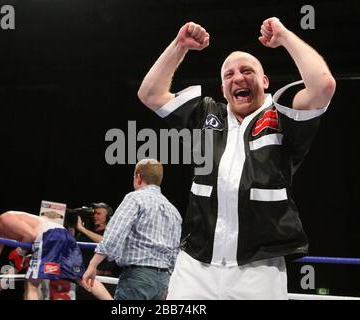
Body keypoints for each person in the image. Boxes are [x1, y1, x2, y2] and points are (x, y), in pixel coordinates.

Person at [137, 18, 336, 299]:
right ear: (222, 89)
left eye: (247, 71)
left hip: (258, 270)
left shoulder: (282, 116)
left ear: (264, 81)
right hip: (195, 266)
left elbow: (323, 86)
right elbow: (150, 94)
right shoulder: (206, 114)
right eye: (229, 75)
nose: (238, 78)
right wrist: (179, 46)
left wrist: (284, 36)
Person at [82, 159, 182, 300]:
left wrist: (93, 264)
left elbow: (114, 234)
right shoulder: (173, 211)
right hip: (162, 281)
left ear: (139, 177)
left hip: (137, 278)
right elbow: (174, 252)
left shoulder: (135, 199)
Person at [0, 203, 112, 300]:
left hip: (49, 237)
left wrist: (19, 252)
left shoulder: (6, 218)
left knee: (32, 284)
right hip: (63, 236)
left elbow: (30, 235)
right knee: (81, 278)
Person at [75, 202, 121, 299]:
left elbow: (106, 242)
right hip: (86, 278)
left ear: (108, 217)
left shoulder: (112, 233)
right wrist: (72, 228)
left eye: (99, 213)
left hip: (106, 281)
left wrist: (82, 229)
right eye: (94, 213)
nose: (95, 216)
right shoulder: (84, 233)